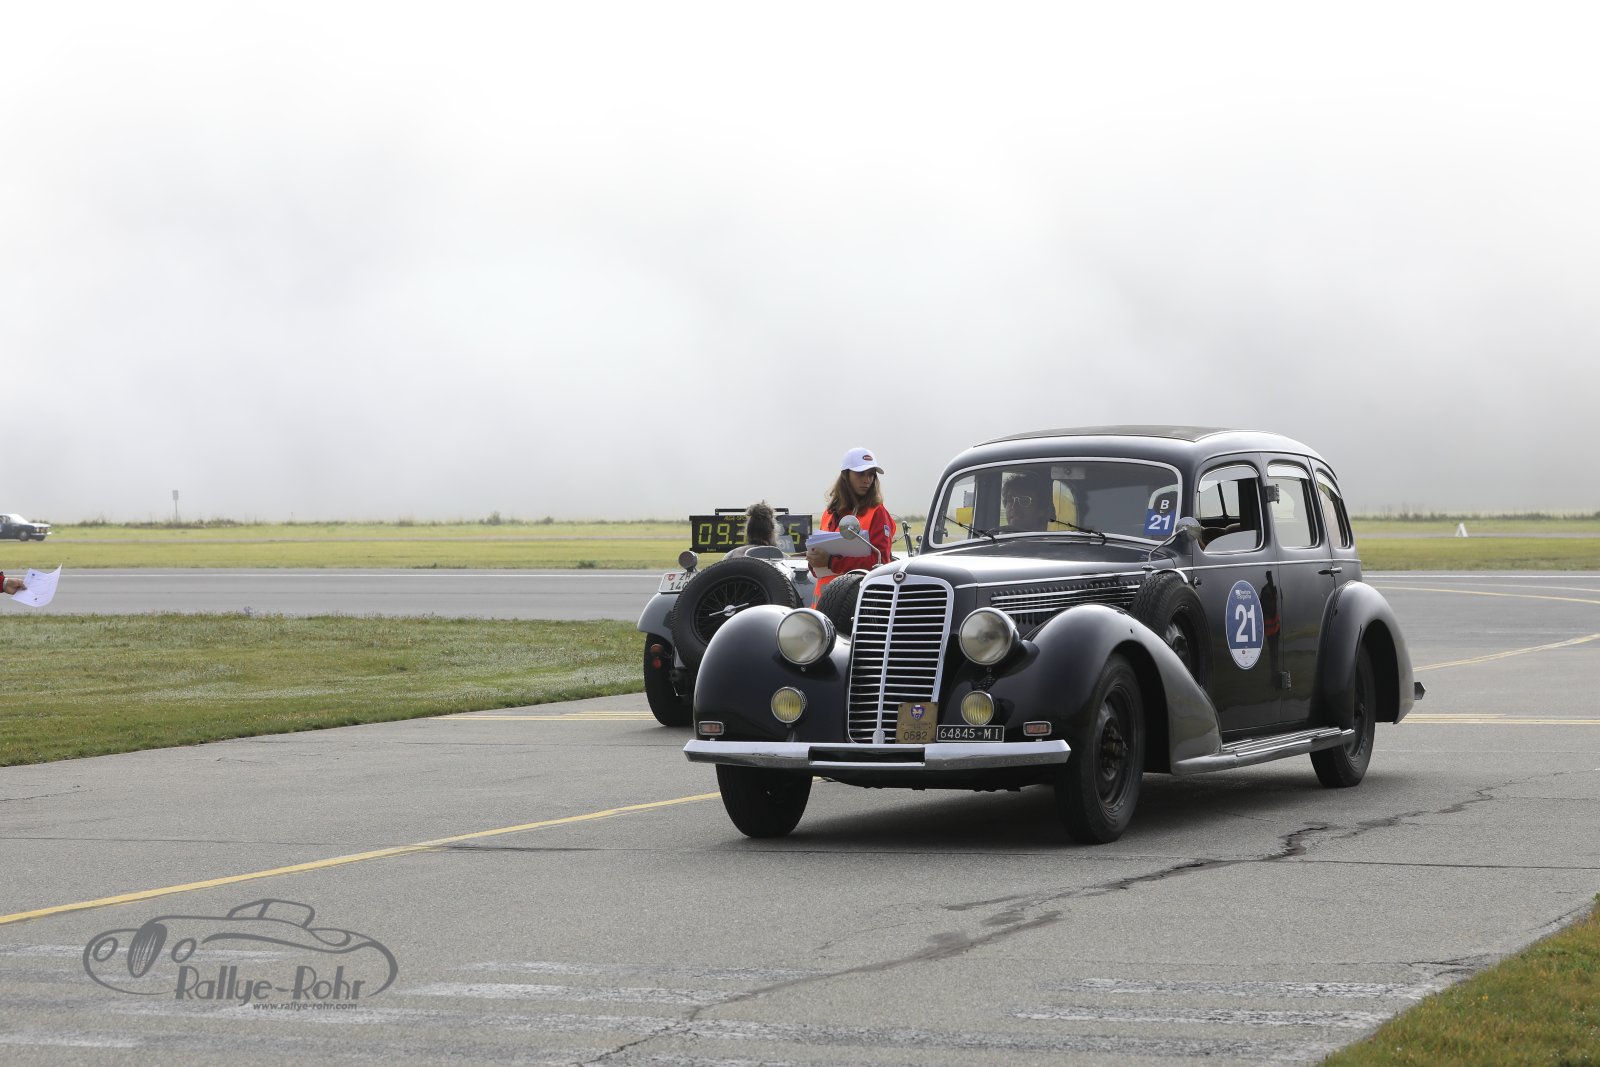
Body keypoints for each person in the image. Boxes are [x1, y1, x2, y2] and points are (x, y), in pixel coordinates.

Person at [808, 447, 895, 601]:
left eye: (871, 474)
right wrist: (813, 560)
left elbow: (881, 563)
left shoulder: (877, 513)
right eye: (861, 473)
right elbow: (817, 570)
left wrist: (831, 562)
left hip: (856, 605)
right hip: (823, 604)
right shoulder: (828, 513)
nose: (867, 480)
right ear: (845, 475)